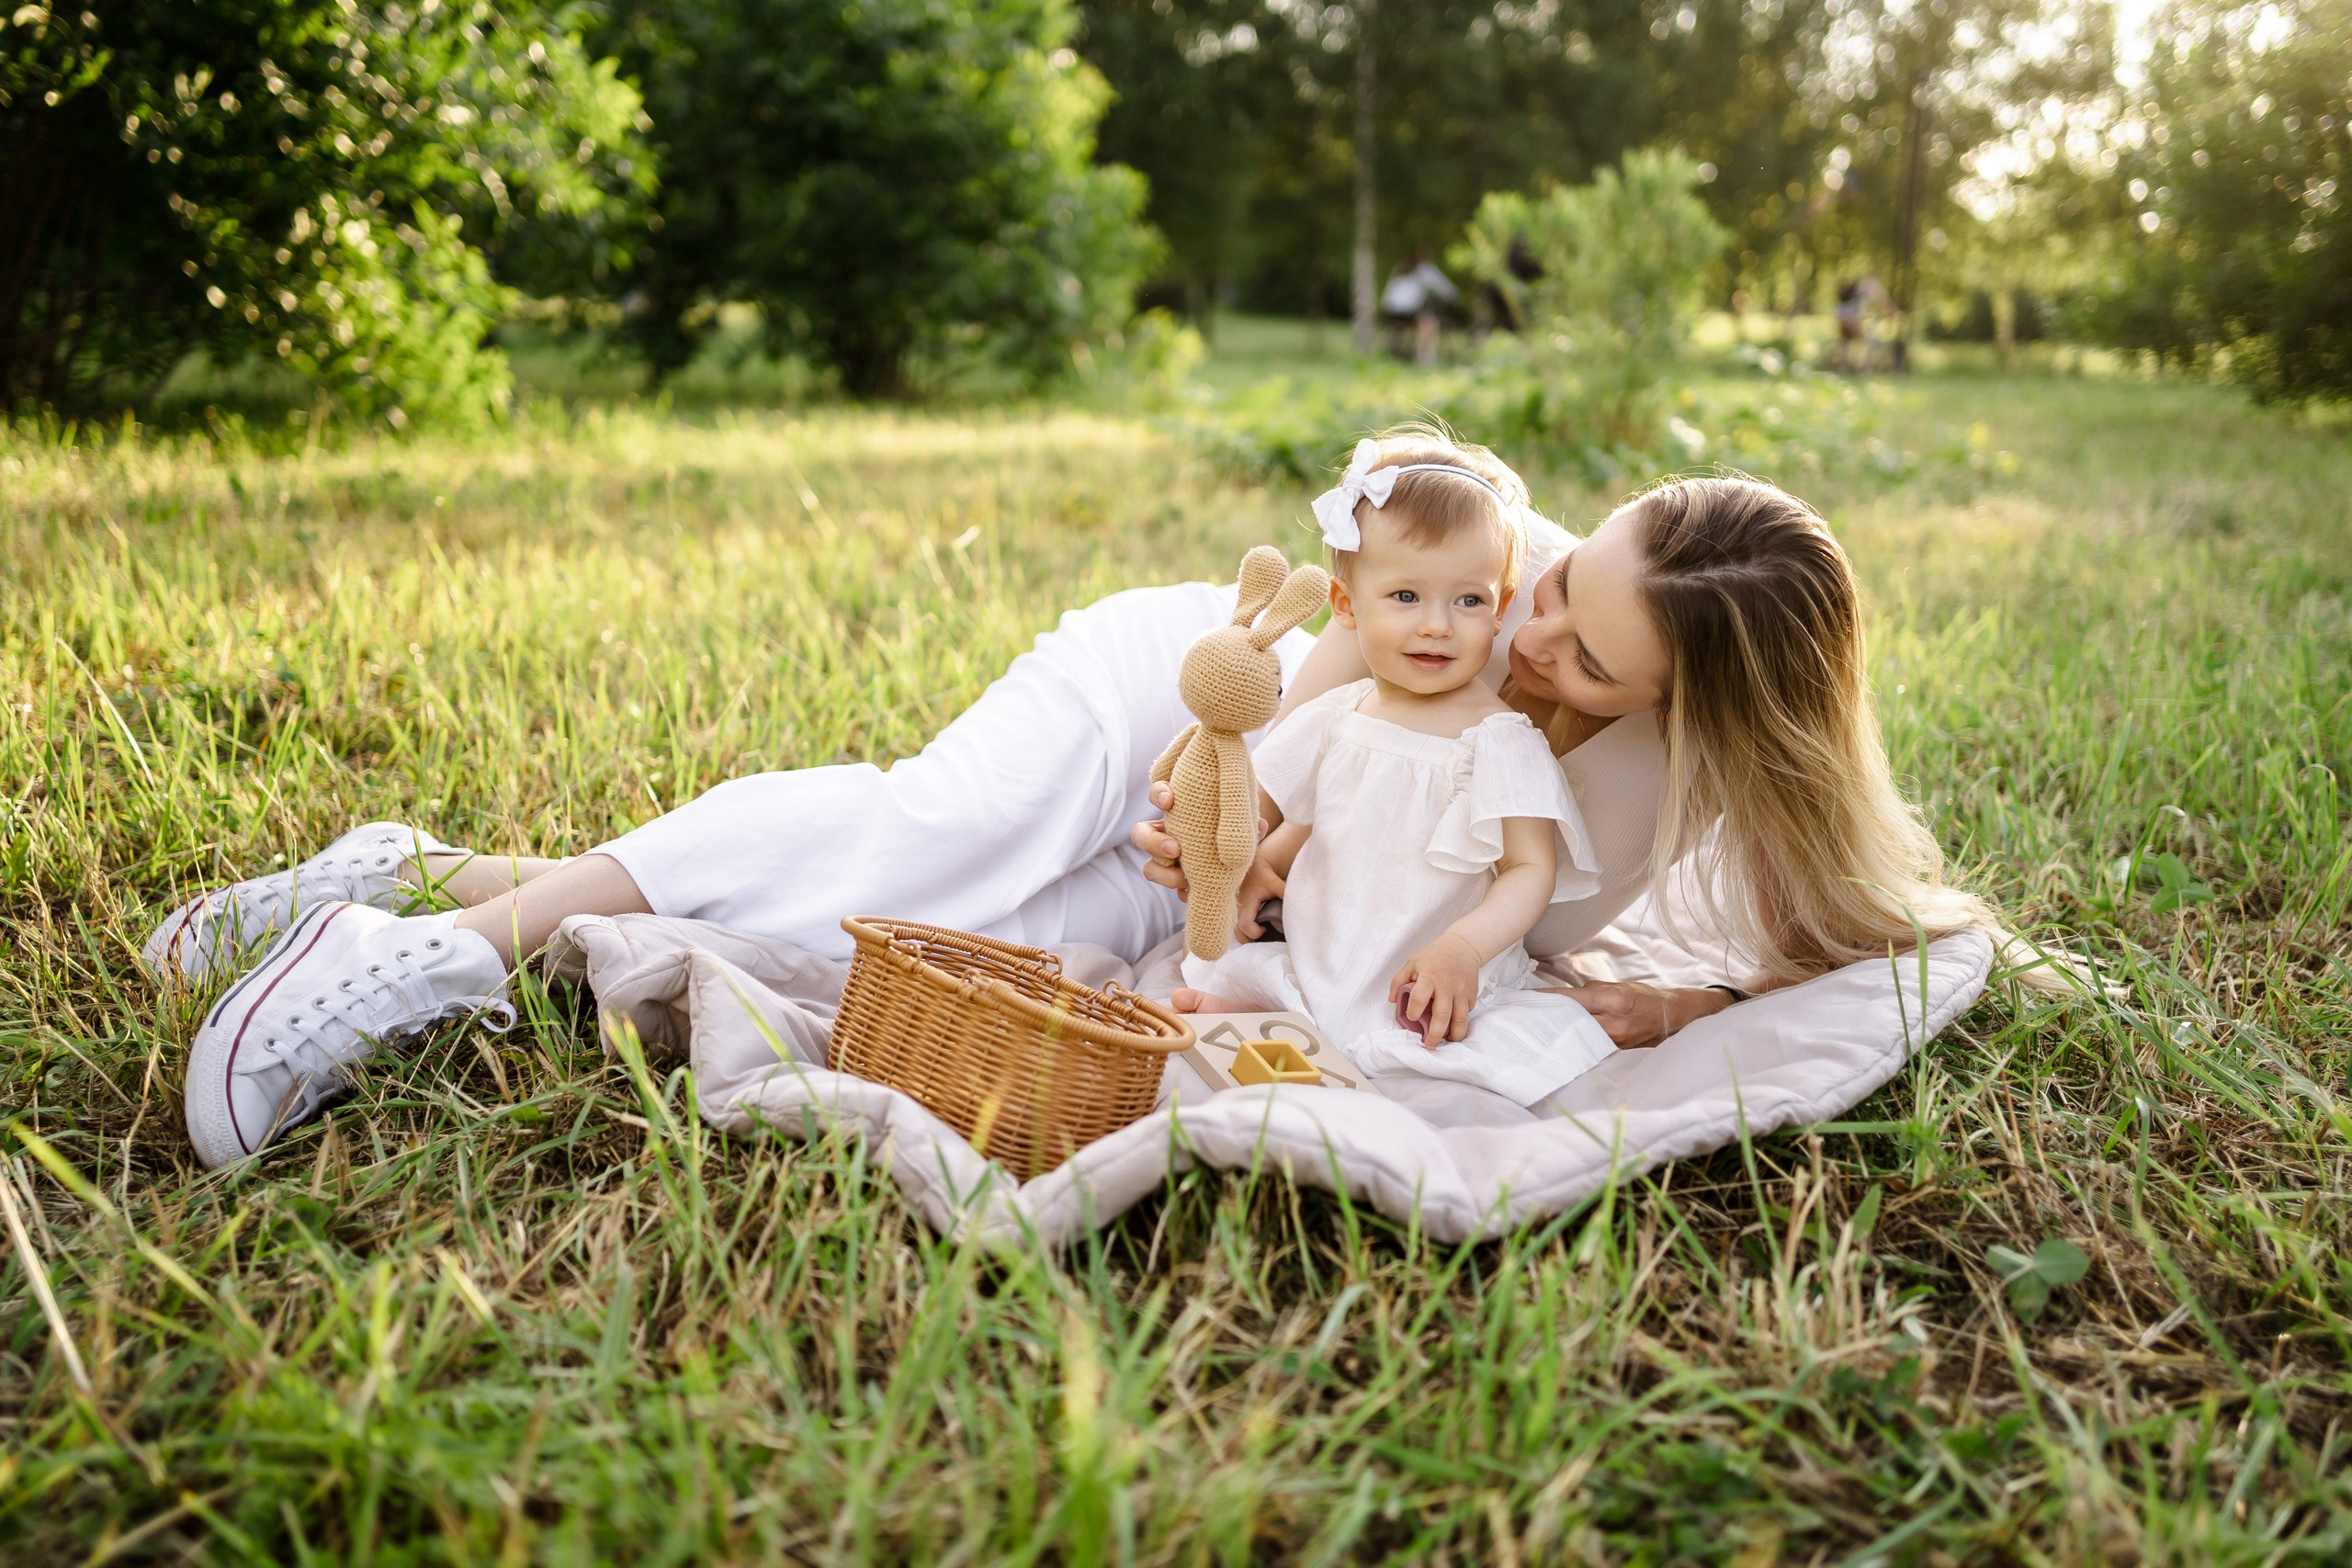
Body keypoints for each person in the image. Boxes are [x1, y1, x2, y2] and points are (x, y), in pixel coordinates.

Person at [163, 426, 2048, 1168]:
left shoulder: (1687, 792)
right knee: (932, 836)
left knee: (912, 940)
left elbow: (1862, 930)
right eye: (1563, 574)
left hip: (1211, 903)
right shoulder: (1492, 571)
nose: (1531, 618)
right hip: (1185, 691)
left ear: (1693, 716)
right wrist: (1231, 784)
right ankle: (434, 953)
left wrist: (1680, 996)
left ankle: (420, 867)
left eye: (1582, 642)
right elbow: (1325, 646)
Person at [1173, 440, 1620, 1105]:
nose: (1437, 626)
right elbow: (1312, 814)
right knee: (1268, 979)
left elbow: (1531, 869)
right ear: (1346, 605)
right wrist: (1257, 860)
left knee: (1428, 1047)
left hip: (1425, 955)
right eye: (1406, 595)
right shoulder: (1339, 713)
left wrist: (1464, 949)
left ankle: (1339, 1051)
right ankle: (1284, 1031)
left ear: (1499, 609)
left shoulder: (1499, 740)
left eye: (1468, 601)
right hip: (1332, 939)